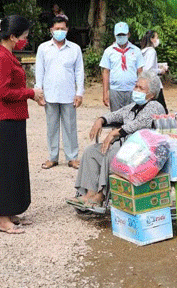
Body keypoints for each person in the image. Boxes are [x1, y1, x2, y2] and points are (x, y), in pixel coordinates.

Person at [70, 72, 165, 214]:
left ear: (151, 95)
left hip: (143, 153)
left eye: (141, 88)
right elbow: (116, 114)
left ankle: (100, 196)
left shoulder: (155, 106)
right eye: (136, 86)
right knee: (91, 152)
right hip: (126, 148)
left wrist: (115, 133)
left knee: (113, 152)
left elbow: (140, 123)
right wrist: (101, 120)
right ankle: (89, 194)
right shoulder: (133, 107)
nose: (136, 90)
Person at [0, 15, 45, 234]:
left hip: (14, 117)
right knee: (6, 168)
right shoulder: (1, 58)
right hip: (5, 119)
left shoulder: (8, 56)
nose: (25, 40)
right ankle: (3, 218)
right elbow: (3, 92)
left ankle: (12, 211)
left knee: (15, 167)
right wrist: (30, 93)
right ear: (13, 36)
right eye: (23, 36)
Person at [35, 16, 84, 170]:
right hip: (50, 94)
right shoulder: (43, 48)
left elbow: (79, 72)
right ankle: (52, 157)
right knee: (52, 127)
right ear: (51, 30)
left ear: (67, 30)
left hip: (69, 95)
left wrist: (79, 92)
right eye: (57, 29)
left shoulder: (75, 49)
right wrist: (38, 91)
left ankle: (72, 157)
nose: (60, 31)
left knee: (70, 127)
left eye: (63, 28)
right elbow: (39, 71)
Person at [100, 22, 143, 111]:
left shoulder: (136, 51)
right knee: (116, 116)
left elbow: (140, 72)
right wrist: (105, 93)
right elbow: (105, 72)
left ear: (128, 34)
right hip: (115, 90)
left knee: (132, 115)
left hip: (132, 89)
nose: (121, 37)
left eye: (123, 34)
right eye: (119, 35)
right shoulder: (109, 51)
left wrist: (141, 90)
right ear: (115, 35)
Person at [139, 29, 168, 110]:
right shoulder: (151, 51)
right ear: (151, 39)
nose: (157, 40)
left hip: (145, 83)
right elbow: (149, 69)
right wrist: (161, 71)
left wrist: (158, 65)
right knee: (162, 108)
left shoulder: (142, 51)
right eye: (156, 37)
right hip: (153, 83)